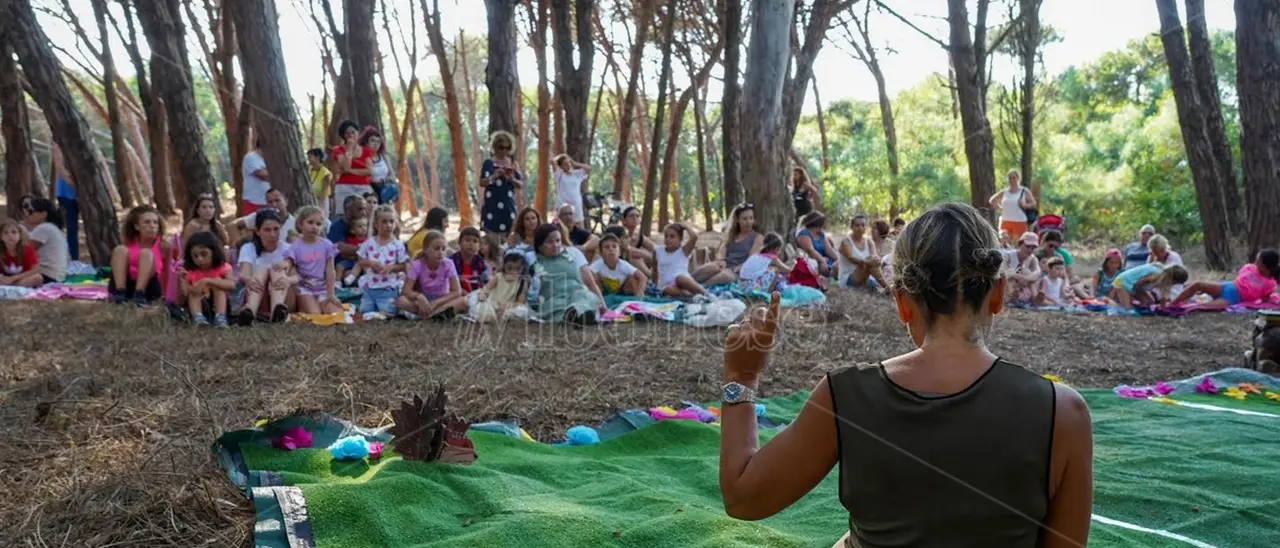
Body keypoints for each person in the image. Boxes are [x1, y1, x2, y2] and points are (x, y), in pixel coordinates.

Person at [718, 203, 1093, 548]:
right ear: (997, 293)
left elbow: (743, 497)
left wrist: (742, 375)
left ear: (902, 302)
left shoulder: (844, 396)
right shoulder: (1064, 413)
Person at [531, 224, 605, 324]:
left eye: (557, 241)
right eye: (549, 242)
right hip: (553, 300)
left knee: (584, 297)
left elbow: (590, 283)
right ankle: (573, 316)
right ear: (540, 245)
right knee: (557, 306)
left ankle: (577, 314)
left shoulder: (573, 253)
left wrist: (604, 306)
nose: (555, 245)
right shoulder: (533, 261)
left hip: (578, 295)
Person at [236, 209, 294, 325]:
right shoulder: (249, 248)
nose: (272, 234)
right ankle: (249, 311)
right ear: (258, 231)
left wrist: (287, 280)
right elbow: (244, 274)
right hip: (258, 292)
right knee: (261, 272)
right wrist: (249, 280)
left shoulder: (289, 249)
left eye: (276, 229)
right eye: (267, 230)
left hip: (283, 293)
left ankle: (277, 310)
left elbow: (298, 276)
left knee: (276, 271)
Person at [282, 206, 342, 315]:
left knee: (335, 313)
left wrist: (331, 293)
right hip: (305, 288)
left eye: (318, 224)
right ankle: (302, 305)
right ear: (300, 224)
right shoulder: (296, 246)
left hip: (322, 288)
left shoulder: (327, 245)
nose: (314, 227)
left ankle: (318, 303)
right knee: (314, 314)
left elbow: (330, 270)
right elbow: (288, 262)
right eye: (310, 222)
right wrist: (282, 266)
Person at [396, 230, 466, 320]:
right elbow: (405, 291)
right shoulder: (417, 264)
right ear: (425, 249)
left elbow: (457, 291)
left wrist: (436, 303)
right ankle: (434, 315)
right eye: (436, 248)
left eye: (443, 249)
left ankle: (427, 314)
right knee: (400, 301)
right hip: (423, 301)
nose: (440, 252)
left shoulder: (448, 264)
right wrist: (419, 297)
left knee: (463, 302)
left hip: (442, 300)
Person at [1171, 249, 1279, 307]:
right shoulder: (1250, 268)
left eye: (1258, 260)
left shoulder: (1270, 283)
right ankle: (1172, 304)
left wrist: (1272, 299)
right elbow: (1239, 279)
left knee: (1203, 306)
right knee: (1197, 284)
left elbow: (1270, 297)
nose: (1255, 262)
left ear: (1264, 266)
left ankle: (1188, 304)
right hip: (1226, 286)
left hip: (1232, 298)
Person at [357, 205, 410, 316]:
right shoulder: (368, 243)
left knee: (387, 312)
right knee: (365, 311)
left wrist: (391, 268)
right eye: (384, 222)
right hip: (370, 287)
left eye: (391, 221)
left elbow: (404, 266)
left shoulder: (398, 245)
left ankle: (391, 306)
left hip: (388, 287)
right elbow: (360, 261)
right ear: (376, 224)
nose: (389, 225)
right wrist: (370, 263)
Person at [109, 205, 167, 305]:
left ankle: (139, 294)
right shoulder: (128, 243)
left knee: (146, 253)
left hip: (150, 287)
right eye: (147, 222)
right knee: (120, 250)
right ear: (137, 226)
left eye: (155, 222)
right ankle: (119, 292)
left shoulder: (164, 246)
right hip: (126, 284)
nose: (152, 226)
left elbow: (168, 272)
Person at [178, 231, 234, 327]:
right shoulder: (191, 272)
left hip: (220, 305)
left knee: (218, 283)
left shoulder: (223, 267)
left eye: (204, 254)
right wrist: (182, 282)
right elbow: (185, 294)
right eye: (195, 256)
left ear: (214, 252)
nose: (199, 259)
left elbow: (231, 285)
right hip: (199, 305)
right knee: (193, 292)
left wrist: (208, 281)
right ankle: (198, 318)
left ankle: (220, 318)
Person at [234, 188, 323, 243]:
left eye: (277, 200)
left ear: (286, 202)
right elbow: (232, 226)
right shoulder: (260, 217)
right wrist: (238, 244)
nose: (274, 204)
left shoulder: (296, 223)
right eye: (270, 202)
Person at [479, 131, 524, 234]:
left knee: (510, 234)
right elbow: (482, 182)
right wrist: (494, 176)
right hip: (492, 207)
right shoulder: (489, 163)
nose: (504, 151)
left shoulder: (513, 164)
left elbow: (520, 185)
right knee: (492, 237)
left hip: (508, 207)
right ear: (495, 147)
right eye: (501, 147)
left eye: (507, 148)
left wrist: (510, 178)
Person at [329, 120, 374, 219]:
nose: (351, 135)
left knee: (363, 215)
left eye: (353, 132)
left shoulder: (366, 151)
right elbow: (344, 167)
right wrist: (349, 149)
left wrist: (351, 171)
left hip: (363, 187)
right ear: (343, 135)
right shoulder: (338, 150)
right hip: (344, 187)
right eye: (347, 133)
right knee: (343, 216)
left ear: (358, 133)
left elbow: (369, 171)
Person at [655, 223, 713, 300]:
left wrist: (685, 226)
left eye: (672, 236)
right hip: (668, 285)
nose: (668, 239)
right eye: (666, 236)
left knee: (679, 278)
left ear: (680, 239)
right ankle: (691, 296)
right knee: (667, 290)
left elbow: (694, 237)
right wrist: (655, 285)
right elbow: (655, 270)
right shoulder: (658, 251)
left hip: (684, 282)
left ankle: (707, 296)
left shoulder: (683, 251)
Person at [471, 251, 531, 323]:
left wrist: (508, 306)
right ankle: (492, 316)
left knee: (522, 311)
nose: (513, 272)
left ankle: (503, 317)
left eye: (518, 269)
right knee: (481, 306)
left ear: (523, 269)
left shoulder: (523, 281)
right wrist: (483, 294)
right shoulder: (498, 277)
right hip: (493, 303)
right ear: (504, 267)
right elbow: (486, 288)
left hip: (509, 306)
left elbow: (520, 302)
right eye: (509, 268)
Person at [21, 198, 69, 285]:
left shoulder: (43, 228)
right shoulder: (52, 228)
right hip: (57, 276)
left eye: (31, 211)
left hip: (46, 275)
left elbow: (23, 251)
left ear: (43, 214)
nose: (27, 215)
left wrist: (21, 231)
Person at [837, 214, 888, 290]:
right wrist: (868, 262)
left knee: (872, 261)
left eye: (863, 225)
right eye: (857, 225)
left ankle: (888, 288)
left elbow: (874, 257)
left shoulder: (869, 242)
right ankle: (889, 289)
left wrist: (876, 260)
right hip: (849, 279)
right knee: (868, 264)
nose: (860, 228)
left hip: (866, 277)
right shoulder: (846, 242)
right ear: (852, 227)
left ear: (866, 227)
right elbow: (851, 258)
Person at [1109, 263, 1189, 309]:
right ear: (1172, 279)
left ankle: (1123, 300)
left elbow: (1163, 295)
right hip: (1123, 282)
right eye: (1175, 283)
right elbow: (1138, 285)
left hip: (1135, 286)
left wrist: (1164, 307)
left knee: (1150, 302)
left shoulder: (1164, 278)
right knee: (1127, 309)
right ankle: (1108, 302)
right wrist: (1142, 298)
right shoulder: (1156, 275)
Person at [988, 168, 1037, 238]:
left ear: (1018, 178)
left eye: (1014, 178)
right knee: (1004, 244)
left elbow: (1033, 204)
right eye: (1010, 178)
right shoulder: (1004, 192)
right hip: (1005, 221)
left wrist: (1025, 205)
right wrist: (1000, 209)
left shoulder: (1024, 191)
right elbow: (992, 200)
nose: (1012, 180)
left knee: (1017, 245)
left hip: (1019, 221)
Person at [328, 195, 371, 266]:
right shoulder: (338, 226)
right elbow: (340, 248)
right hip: (342, 266)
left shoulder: (366, 224)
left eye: (365, 209)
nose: (364, 213)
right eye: (360, 209)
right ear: (348, 210)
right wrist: (366, 249)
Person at [0, 219, 42, 287]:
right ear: (1, 237)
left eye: (14, 232)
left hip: (22, 279)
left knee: (38, 278)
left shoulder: (27, 249)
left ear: (20, 235)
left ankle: (11, 285)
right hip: (4, 279)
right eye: (5, 232)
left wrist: (14, 278)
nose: (10, 235)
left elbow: (36, 269)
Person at [795, 211, 838, 277]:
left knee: (838, 264)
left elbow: (829, 250)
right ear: (818, 225)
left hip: (825, 260)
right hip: (813, 262)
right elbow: (811, 251)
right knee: (823, 267)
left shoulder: (821, 234)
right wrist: (822, 260)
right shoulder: (804, 234)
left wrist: (838, 260)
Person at [363, 128, 399, 205]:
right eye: (372, 141)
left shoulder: (384, 157)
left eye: (378, 142)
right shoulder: (363, 157)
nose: (376, 144)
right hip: (370, 192)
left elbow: (392, 174)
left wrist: (386, 180)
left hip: (386, 190)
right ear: (366, 143)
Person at [553, 154, 590, 225]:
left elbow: (588, 168)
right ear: (560, 166)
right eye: (565, 164)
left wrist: (575, 163)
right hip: (563, 206)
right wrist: (563, 155)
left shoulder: (577, 174)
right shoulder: (559, 175)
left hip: (577, 205)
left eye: (569, 163)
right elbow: (553, 161)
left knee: (579, 225)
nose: (568, 165)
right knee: (562, 226)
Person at [1007, 231, 1043, 305]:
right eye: (1027, 246)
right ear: (1020, 244)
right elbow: (1003, 272)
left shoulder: (1033, 258)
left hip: (1024, 282)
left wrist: (1026, 278)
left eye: (1033, 248)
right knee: (1011, 279)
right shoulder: (1009, 256)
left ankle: (1035, 298)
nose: (1030, 250)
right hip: (1010, 282)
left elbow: (1038, 272)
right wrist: (1016, 276)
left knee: (1030, 276)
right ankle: (1012, 295)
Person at [450, 226, 488, 294]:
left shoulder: (480, 262)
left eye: (475, 241)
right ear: (459, 242)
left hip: (476, 295)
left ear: (479, 246)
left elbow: (486, 282)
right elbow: (448, 283)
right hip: (456, 294)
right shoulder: (451, 262)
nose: (471, 244)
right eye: (467, 240)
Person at [619, 205, 657, 270]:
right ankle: (650, 277)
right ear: (624, 220)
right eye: (631, 216)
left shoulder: (639, 237)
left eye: (637, 216)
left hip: (632, 268)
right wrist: (649, 257)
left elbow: (657, 249)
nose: (635, 218)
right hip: (616, 265)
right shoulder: (618, 233)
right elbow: (628, 249)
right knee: (635, 258)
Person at [337, 212, 368, 286]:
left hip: (361, 263)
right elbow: (345, 254)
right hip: (350, 261)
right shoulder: (350, 240)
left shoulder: (368, 240)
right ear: (353, 230)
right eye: (360, 226)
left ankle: (355, 279)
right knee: (339, 265)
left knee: (361, 267)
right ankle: (337, 282)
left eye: (365, 226)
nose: (363, 228)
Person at [241, 137, 270, 214]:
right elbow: (262, 175)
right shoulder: (251, 157)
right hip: (253, 201)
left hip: (269, 202)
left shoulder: (270, 159)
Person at [54, 173, 78, 262]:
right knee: (71, 228)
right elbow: (60, 169)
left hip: (84, 193)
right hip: (66, 193)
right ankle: (73, 259)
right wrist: (77, 186)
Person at [307, 148, 334, 217]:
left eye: (310, 157)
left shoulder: (325, 173)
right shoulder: (309, 170)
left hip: (321, 201)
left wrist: (318, 206)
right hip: (310, 199)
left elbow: (324, 192)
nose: (308, 159)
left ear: (317, 157)